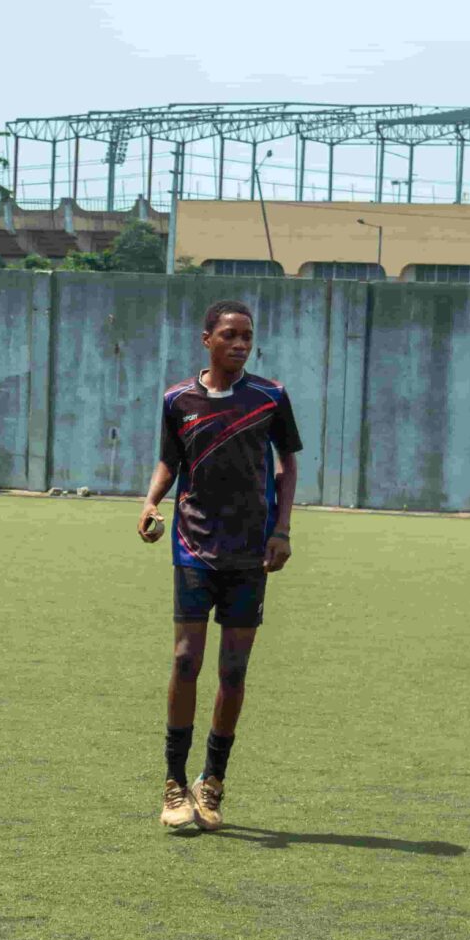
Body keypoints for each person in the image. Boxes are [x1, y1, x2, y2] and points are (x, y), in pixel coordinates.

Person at [137, 299, 301, 833]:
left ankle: (213, 785)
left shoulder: (270, 396)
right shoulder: (177, 399)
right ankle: (173, 784)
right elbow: (170, 460)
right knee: (186, 661)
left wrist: (282, 529)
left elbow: (288, 462)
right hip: (192, 546)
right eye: (230, 334)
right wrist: (150, 502)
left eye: (247, 336)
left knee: (233, 671)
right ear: (206, 337)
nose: (240, 343)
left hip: (250, 551)